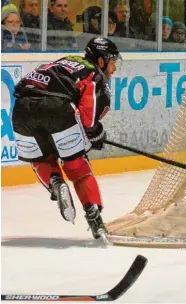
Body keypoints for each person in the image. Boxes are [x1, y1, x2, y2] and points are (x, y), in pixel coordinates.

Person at [11, 37, 121, 241]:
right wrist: (96, 132)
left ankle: (55, 181)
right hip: (57, 108)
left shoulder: (65, 61)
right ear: (100, 61)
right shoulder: (94, 75)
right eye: (112, 62)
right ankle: (94, 218)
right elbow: (88, 119)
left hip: (21, 109)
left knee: (41, 159)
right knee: (77, 167)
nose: (114, 69)